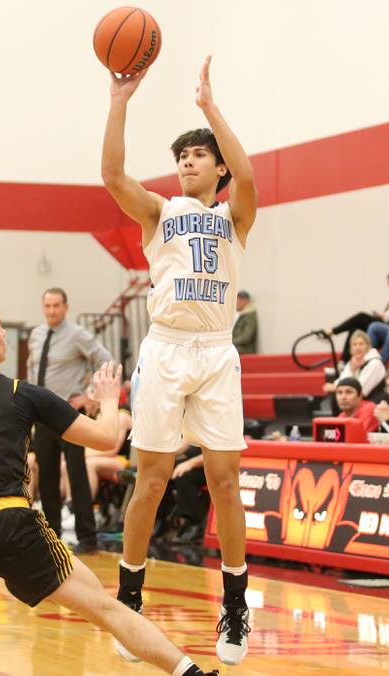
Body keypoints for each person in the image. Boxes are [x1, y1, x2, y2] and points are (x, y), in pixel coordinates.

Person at [0, 296, 218, 676]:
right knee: (106, 607)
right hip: (11, 529)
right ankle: (191, 674)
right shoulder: (20, 393)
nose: (3, 335)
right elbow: (104, 438)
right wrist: (109, 400)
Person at [101, 55, 256, 666]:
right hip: (165, 349)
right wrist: (120, 99)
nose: (186, 162)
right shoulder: (161, 212)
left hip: (216, 352)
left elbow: (249, 178)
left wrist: (210, 111)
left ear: (216, 166)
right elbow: (112, 173)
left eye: (197, 155)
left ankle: (236, 605)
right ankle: (129, 599)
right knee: (151, 481)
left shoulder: (234, 217)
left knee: (224, 481)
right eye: (181, 156)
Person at [27, 287, 113, 554]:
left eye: (56, 306)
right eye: (48, 306)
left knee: (77, 475)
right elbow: (33, 369)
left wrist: (90, 397)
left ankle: (88, 538)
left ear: (66, 307)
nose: (52, 311)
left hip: (69, 414)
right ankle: (52, 536)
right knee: (48, 477)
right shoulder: (36, 335)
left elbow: (106, 360)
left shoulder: (78, 335)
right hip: (42, 415)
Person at [322, 271, 389, 363]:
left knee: (361, 316)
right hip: (383, 325)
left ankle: (333, 331)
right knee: (355, 329)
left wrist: (384, 317)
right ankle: (344, 362)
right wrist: (382, 315)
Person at [321, 330, 385, 402]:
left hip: (373, 404)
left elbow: (361, 392)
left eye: (361, 344)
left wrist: (336, 388)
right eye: (354, 344)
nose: (358, 347)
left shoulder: (375, 363)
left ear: (368, 346)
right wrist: (352, 370)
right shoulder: (353, 362)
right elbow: (342, 380)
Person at [170, 446, 209, 544]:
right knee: (163, 470)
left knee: (183, 475)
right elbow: (185, 444)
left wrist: (190, 463)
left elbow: (218, 452)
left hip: (214, 466)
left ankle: (195, 523)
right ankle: (162, 518)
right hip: (195, 462)